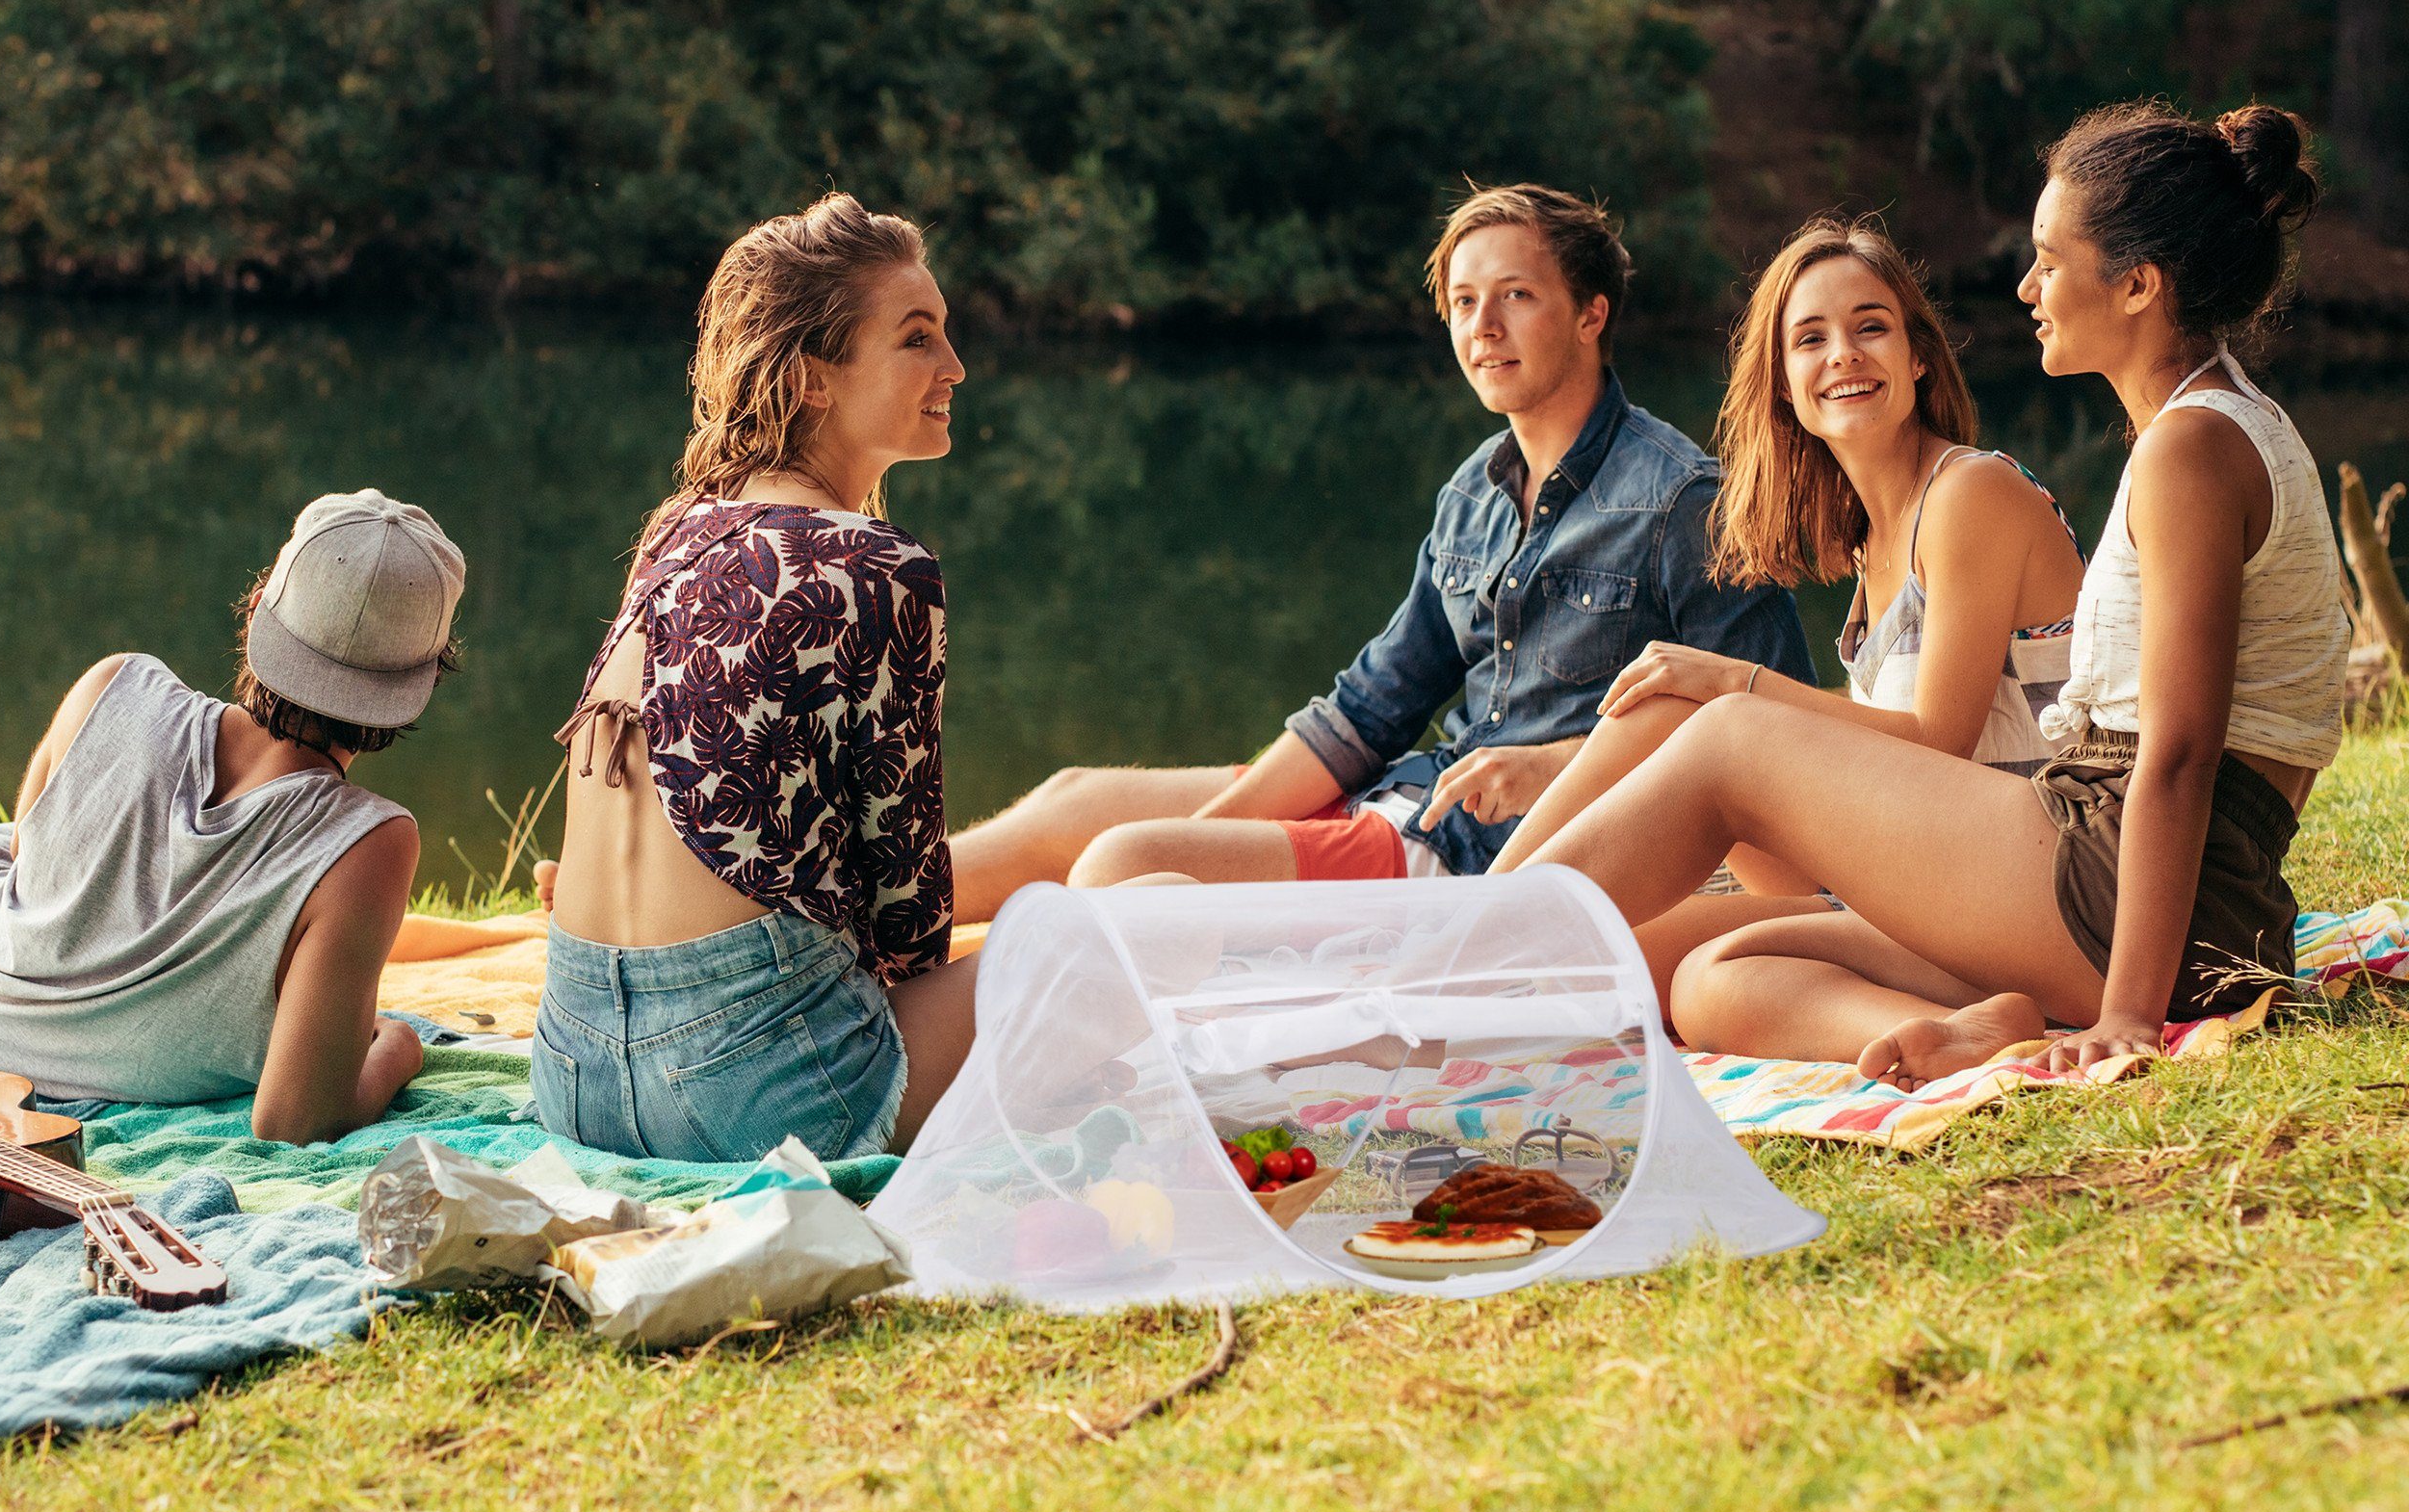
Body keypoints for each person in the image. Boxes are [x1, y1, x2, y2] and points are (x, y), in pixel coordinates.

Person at [1508, 102, 2349, 1088]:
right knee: (1715, 976)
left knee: (1726, 737)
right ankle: (1986, 1025)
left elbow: (2175, 754)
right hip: (2154, 891)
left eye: (2048, 258)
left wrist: (2127, 1015)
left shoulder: (2192, 446)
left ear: (2136, 284)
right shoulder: (2205, 427)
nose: (2027, 286)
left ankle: (1434, 963)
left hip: (2137, 884)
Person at [949, 182, 1813, 909]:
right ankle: (852, 921)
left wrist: (1557, 768)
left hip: (1486, 865)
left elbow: (1766, 743)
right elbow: (1370, 710)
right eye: (1464, 304)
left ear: (1591, 314)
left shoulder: (1684, 502)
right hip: (1414, 793)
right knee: (1076, 803)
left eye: (1516, 295)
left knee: (1123, 863)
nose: (1484, 327)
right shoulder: (1474, 491)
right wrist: (1219, 831)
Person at [1478, 217, 2085, 1006]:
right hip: (1918, 874)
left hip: (2026, 879)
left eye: (1872, 327)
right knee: (1590, 970)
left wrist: (1740, 684)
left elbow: (1938, 742)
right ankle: (1473, 926)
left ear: (1921, 360)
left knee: (1704, 716)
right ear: (1786, 389)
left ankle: (1462, 941)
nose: (1843, 354)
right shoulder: (1873, 540)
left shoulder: (1972, 493)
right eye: (1811, 339)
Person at [534, 193, 977, 1163]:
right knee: (1088, 946)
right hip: (754, 1100)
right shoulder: (874, 565)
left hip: (571, 1075)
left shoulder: (678, 527)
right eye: (916, 338)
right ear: (816, 378)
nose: (954, 367)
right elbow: (909, 918)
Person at [0, 489, 464, 1139]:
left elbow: (31, 867)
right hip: (89, 1066)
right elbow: (295, 1119)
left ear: (256, 610)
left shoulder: (113, 682)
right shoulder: (368, 843)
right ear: (419, 688)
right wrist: (399, 1046)